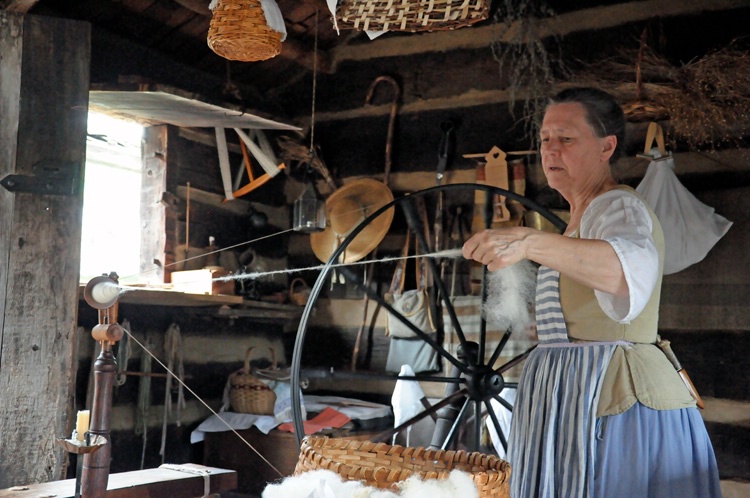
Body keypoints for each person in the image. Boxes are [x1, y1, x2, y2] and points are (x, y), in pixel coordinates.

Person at [462, 87, 722, 497]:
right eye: (545, 139)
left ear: (607, 147)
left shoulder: (619, 207)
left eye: (566, 139)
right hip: (574, 395)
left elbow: (623, 272)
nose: (551, 151)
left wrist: (529, 242)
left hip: (616, 403)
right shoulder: (581, 217)